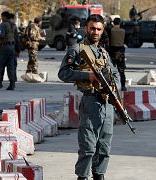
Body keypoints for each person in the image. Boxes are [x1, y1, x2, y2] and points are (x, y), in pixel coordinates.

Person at [58, 14, 120, 180]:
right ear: (86, 28)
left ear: (102, 30)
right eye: (92, 28)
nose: (95, 32)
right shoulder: (77, 49)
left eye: (99, 29)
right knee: (88, 146)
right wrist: (87, 76)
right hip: (91, 101)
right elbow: (63, 73)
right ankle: (83, 177)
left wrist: (115, 87)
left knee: (104, 145)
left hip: (107, 103)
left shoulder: (103, 52)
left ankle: (99, 175)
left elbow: (115, 73)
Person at [0, 11, 20, 90]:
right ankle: (12, 84)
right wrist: (18, 50)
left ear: (4, 16)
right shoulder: (14, 25)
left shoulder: (3, 24)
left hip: (5, 47)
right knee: (10, 66)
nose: (1, 18)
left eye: (2, 16)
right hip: (12, 48)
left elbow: (1, 34)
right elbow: (17, 38)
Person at [109, 17, 126, 91]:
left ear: (113, 23)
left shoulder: (111, 30)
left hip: (112, 51)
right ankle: (123, 86)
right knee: (121, 70)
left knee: (110, 69)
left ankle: (110, 85)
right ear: (120, 23)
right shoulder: (123, 31)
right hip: (120, 52)